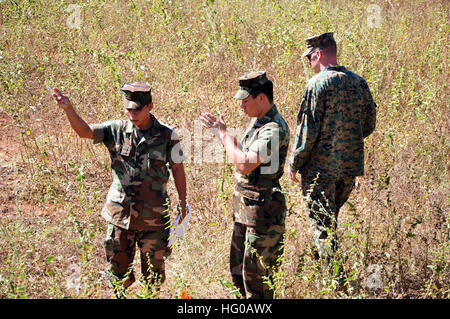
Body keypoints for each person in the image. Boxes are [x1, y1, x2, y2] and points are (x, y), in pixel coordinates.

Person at [51, 82, 187, 297]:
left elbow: (178, 168)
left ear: (150, 106)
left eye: (137, 109)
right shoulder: (116, 129)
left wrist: (183, 201)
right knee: (117, 274)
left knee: (154, 276)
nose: (132, 113)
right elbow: (85, 131)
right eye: (128, 109)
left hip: (155, 219)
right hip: (120, 216)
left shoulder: (168, 135)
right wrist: (69, 109)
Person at [288, 32, 377, 282]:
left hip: (320, 171)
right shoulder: (358, 82)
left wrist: (294, 162)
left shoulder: (317, 84)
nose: (310, 65)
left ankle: (338, 284)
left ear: (317, 54)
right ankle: (320, 274)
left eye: (310, 59)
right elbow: (369, 124)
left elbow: (308, 130)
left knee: (322, 227)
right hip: (349, 170)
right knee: (328, 222)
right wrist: (346, 142)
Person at [200, 71, 290, 299]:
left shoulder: (273, 130)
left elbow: (244, 164)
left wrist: (223, 136)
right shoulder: (259, 123)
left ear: (261, 98)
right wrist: (225, 134)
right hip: (247, 211)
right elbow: (246, 153)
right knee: (239, 275)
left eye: (245, 100)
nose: (241, 106)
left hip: (263, 216)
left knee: (257, 284)